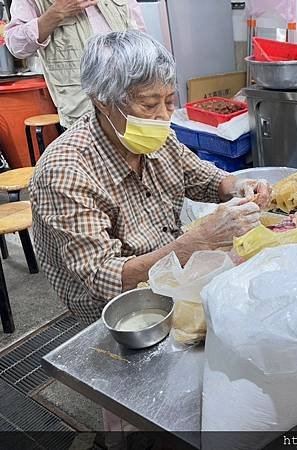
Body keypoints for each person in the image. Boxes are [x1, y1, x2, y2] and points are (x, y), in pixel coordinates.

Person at [29, 30, 270, 325]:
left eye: (169, 101)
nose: (163, 116)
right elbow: (104, 277)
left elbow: (203, 177)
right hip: (118, 308)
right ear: (103, 101)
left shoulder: (157, 137)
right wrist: (198, 241)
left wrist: (238, 185)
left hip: (170, 266)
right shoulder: (66, 172)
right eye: (148, 104)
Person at [5, 0, 146, 127]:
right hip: (83, 112)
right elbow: (16, 45)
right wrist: (56, 13)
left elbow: (143, 37)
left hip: (135, 100)